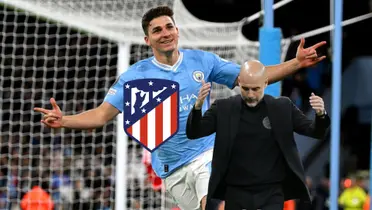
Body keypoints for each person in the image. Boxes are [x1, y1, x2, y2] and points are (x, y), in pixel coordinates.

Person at [34, 6, 327, 210]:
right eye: (157, 30)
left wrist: (296, 64)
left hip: (209, 154)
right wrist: (66, 121)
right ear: (147, 39)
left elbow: (253, 78)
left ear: (177, 31)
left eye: (169, 27)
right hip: (171, 170)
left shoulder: (203, 62)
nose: (165, 32)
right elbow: (101, 115)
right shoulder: (134, 77)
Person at [186, 60, 330, 210]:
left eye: (255, 89)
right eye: (246, 88)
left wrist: (320, 114)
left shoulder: (282, 108)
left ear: (266, 82)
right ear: (239, 82)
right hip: (236, 191)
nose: (250, 94)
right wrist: (197, 107)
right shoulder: (223, 108)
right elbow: (194, 132)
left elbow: (315, 132)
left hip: (271, 191)